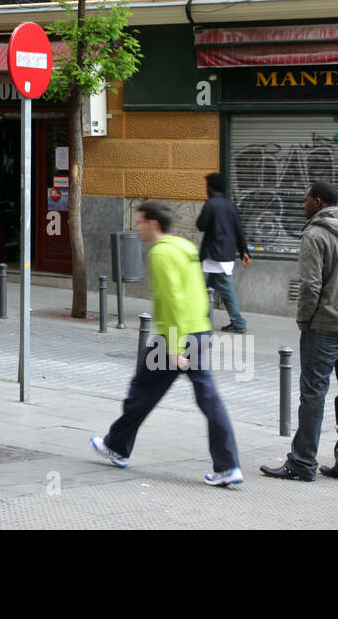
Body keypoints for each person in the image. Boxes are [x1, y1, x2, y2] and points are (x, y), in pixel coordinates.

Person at [91, 199, 243, 487]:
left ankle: (117, 447)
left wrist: (173, 347)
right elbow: (197, 293)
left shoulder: (161, 254)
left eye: (139, 222)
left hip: (172, 339)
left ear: (153, 223)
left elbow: (173, 300)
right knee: (206, 398)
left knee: (141, 392)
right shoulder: (185, 247)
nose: (137, 228)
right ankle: (227, 465)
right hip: (197, 331)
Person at [261, 181, 338, 482]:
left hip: (324, 327)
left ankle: (302, 462)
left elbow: (310, 286)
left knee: (313, 393)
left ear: (319, 202)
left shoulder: (315, 234)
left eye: (306, 200)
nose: (303, 205)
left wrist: (305, 321)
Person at [196, 172, 251, 333]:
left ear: (211, 188)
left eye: (207, 186)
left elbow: (201, 225)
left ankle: (238, 322)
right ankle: (201, 319)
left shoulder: (211, 205)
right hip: (226, 254)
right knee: (209, 287)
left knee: (226, 288)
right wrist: (244, 252)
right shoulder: (230, 205)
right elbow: (239, 230)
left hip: (215, 254)